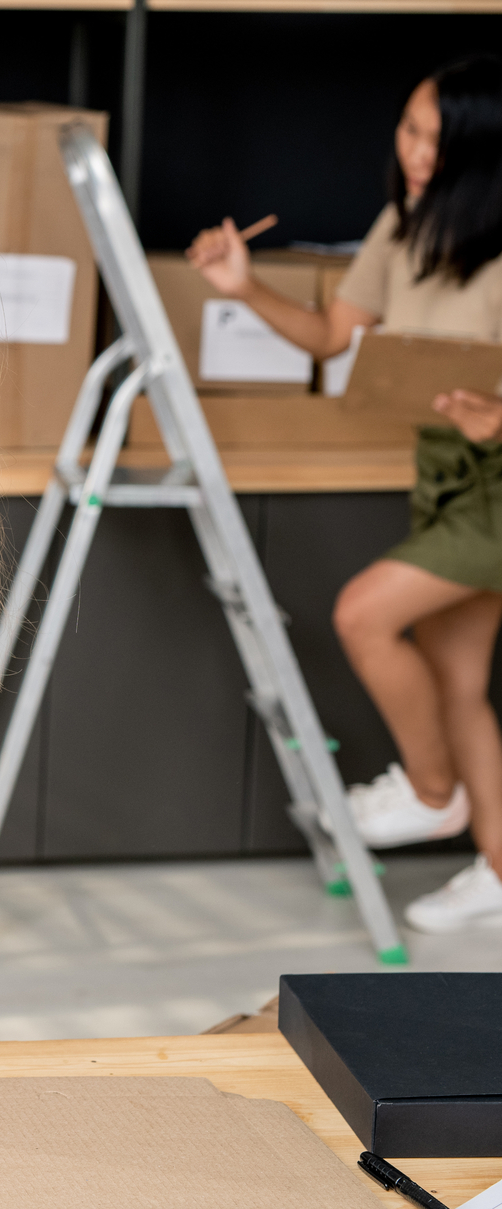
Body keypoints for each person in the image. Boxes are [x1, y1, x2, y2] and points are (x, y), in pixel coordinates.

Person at [186, 54, 502, 934]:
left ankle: (433, 792)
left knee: (364, 613)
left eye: (437, 140)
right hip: (445, 476)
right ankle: (499, 870)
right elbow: (331, 336)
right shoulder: (402, 226)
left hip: (498, 483)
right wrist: (243, 286)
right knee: (456, 678)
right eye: (408, 129)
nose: (414, 151)